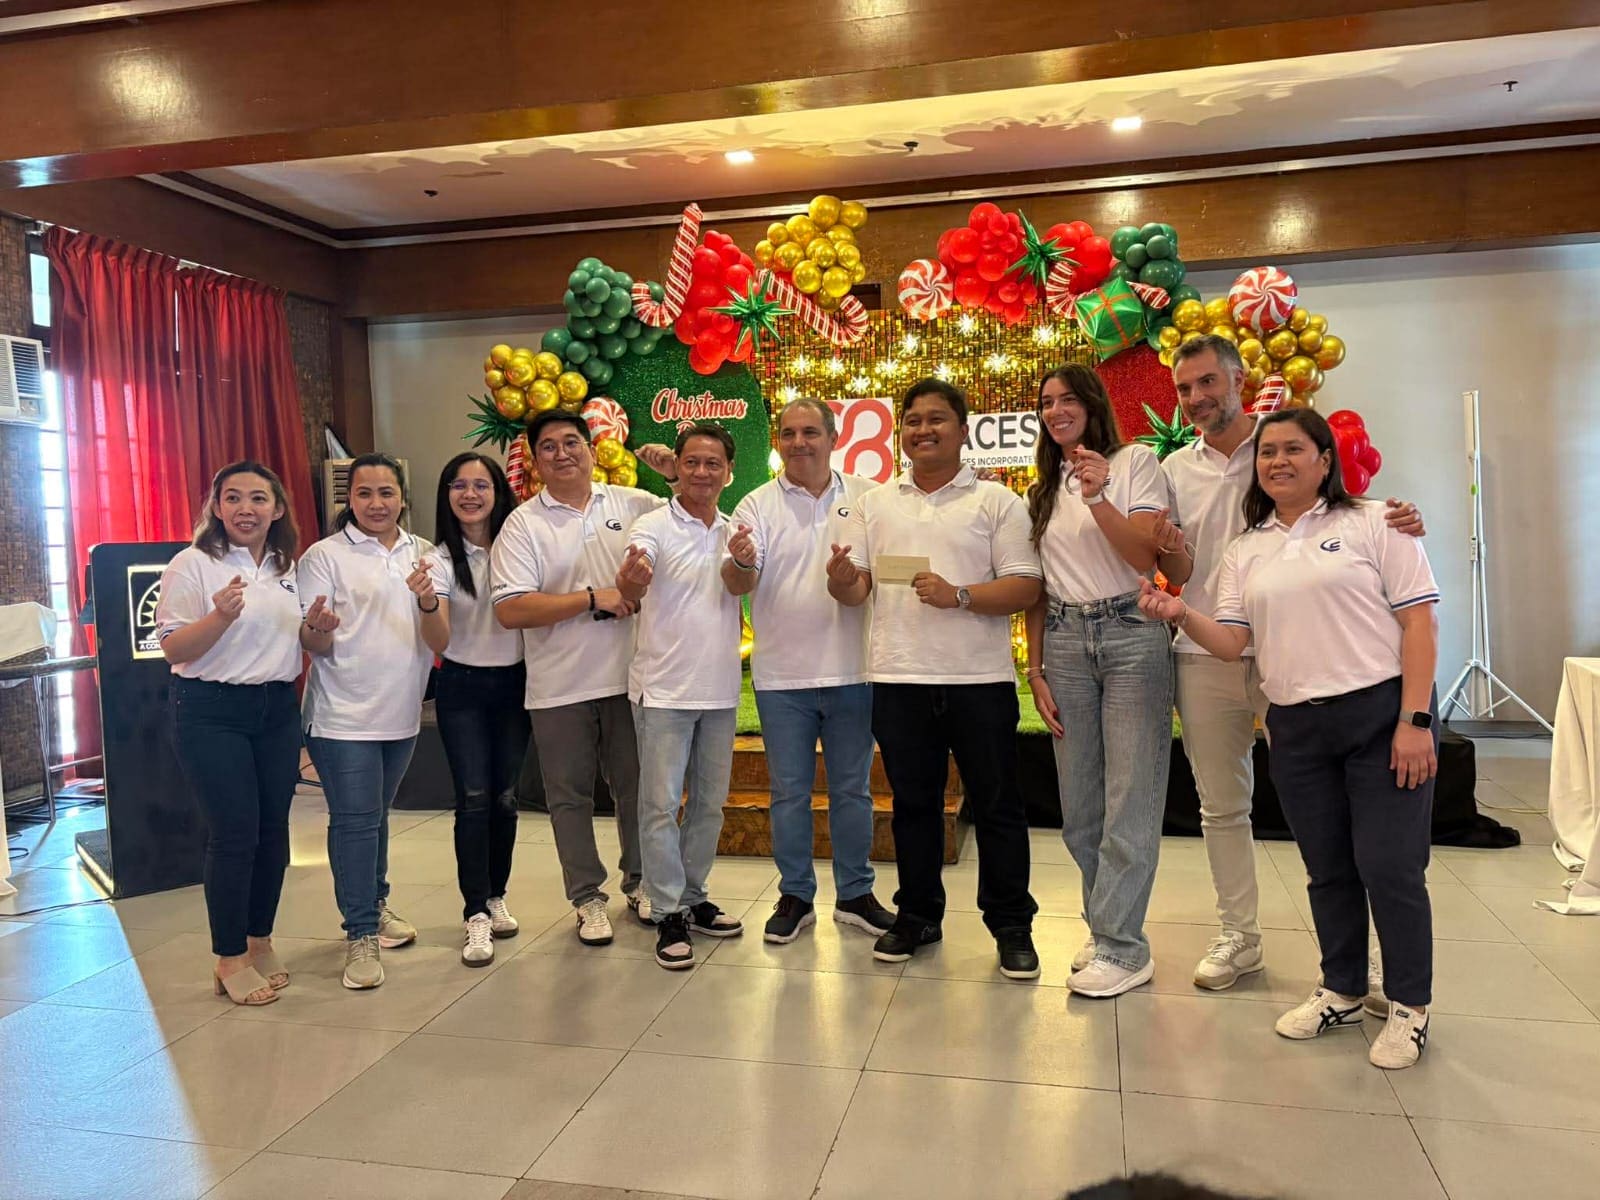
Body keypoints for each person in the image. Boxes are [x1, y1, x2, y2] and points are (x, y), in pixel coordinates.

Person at [1139, 407, 1440, 1070]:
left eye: (1294, 449)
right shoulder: (1247, 549)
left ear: (1324, 460)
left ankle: (1409, 1005)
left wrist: (1415, 722)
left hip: (1381, 714)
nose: (1277, 461)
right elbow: (1232, 643)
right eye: (1268, 451)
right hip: (1297, 724)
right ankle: (1341, 988)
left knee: (1389, 866)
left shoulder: (1377, 521)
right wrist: (1179, 611)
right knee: (1327, 867)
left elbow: (1419, 623)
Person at [828, 378, 1043, 978]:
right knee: (914, 806)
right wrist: (841, 579)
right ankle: (918, 915)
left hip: (980, 682)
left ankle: (1012, 925)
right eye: (913, 420)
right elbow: (856, 591)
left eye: (937, 419)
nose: (923, 430)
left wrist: (960, 596)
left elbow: (1026, 586)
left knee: (997, 806)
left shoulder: (997, 501)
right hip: (898, 678)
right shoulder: (876, 503)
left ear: (963, 429)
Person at [492, 411, 674, 946]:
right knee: (568, 798)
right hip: (559, 687)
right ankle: (587, 897)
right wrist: (593, 597)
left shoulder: (633, 504)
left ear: (592, 449)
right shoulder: (523, 524)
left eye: (572, 442)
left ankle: (641, 882)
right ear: (536, 461)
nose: (562, 453)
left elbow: (691, 520)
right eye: (548, 447)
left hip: (631, 680)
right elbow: (511, 609)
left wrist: (671, 475)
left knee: (638, 789)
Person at [1022, 365, 1173, 997]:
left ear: (1091, 403)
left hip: (1131, 631)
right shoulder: (1041, 489)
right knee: (1081, 808)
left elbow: (1146, 556)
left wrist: (1098, 496)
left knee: (1129, 797)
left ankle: (1123, 946)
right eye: (1046, 402)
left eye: (1067, 399)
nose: (1056, 410)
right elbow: (1037, 589)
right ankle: (1105, 924)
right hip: (1064, 639)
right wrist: (1034, 668)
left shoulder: (1134, 462)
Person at [724, 398, 895, 943]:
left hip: (853, 673)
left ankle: (855, 894)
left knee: (853, 792)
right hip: (782, 679)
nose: (799, 442)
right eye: (788, 433)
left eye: (810, 432)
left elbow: (880, 576)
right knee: (789, 795)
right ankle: (796, 895)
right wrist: (741, 561)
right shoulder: (754, 504)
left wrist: (849, 579)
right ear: (778, 441)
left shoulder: (869, 497)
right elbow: (739, 581)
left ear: (834, 437)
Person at [158, 461, 304, 1006]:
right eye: (234, 498)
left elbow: (295, 636)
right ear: (216, 508)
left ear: (277, 508)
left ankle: (259, 939)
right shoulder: (192, 564)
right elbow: (173, 648)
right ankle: (229, 956)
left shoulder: (287, 566)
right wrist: (219, 616)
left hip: (276, 708)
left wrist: (318, 629)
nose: (246, 509)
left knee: (273, 832)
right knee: (235, 833)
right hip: (210, 710)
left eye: (258, 498)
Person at [298, 452, 433, 990]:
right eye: (364, 493)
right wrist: (319, 627)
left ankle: (375, 904)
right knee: (355, 820)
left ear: (402, 497)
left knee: (375, 816)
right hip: (342, 716)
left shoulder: (424, 553)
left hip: (401, 712)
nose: (377, 504)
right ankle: (359, 933)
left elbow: (436, 628)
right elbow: (312, 642)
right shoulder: (323, 556)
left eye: (386, 493)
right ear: (349, 499)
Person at [616, 421, 746, 969]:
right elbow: (632, 581)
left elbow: (742, 583)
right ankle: (667, 909)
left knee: (710, 804)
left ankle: (693, 897)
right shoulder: (652, 525)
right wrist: (634, 575)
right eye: (691, 461)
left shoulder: (735, 531)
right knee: (660, 806)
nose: (701, 472)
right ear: (677, 466)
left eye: (713, 463)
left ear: (729, 472)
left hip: (719, 690)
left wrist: (743, 558)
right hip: (663, 690)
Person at [413, 452, 527, 967]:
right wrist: (427, 602)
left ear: (498, 492)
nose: (470, 494)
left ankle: (497, 894)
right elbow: (438, 640)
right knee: (474, 798)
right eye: (458, 485)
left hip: (517, 684)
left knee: (505, 797)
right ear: (446, 496)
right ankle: (474, 911)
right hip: (461, 686)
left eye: (481, 485)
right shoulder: (437, 559)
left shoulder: (518, 547)